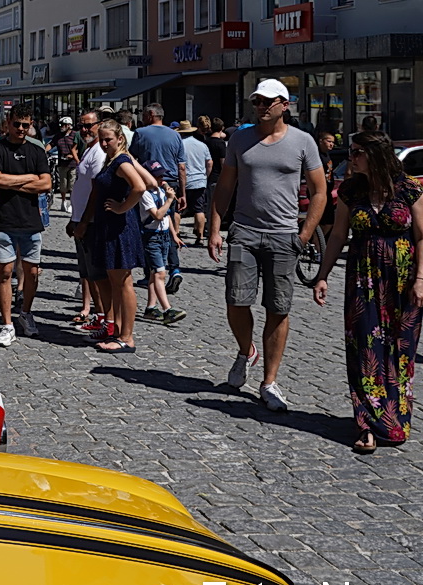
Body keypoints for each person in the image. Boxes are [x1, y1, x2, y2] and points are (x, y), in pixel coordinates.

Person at [206, 78, 328, 412]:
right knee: (236, 300)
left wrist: (304, 235)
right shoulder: (240, 139)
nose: (260, 106)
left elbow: (319, 191)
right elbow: (225, 186)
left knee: (278, 307)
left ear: (284, 105)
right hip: (244, 232)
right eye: (256, 101)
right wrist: (215, 229)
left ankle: (269, 382)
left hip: (284, 235)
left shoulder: (302, 141)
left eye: (267, 101)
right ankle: (246, 351)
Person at [311, 132, 423, 452]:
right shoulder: (350, 190)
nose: (350, 157)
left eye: (356, 152)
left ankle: (395, 419)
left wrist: (421, 280)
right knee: (365, 349)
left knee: (399, 350)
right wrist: (322, 276)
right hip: (363, 280)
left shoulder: (409, 188)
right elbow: (338, 236)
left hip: (402, 281)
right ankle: (367, 424)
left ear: (375, 154)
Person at [0, 104, 52, 346]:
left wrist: (11, 182)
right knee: (4, 272)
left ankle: (25, 312)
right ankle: (7, 324)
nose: (21, 129)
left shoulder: (36, 150)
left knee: (32, 273)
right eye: (17, 124)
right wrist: (29, 179)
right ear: (8, 123)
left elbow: (46, 184)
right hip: (5, 219)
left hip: (31, 220)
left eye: (25, 125)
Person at [87, 119, 148, 352]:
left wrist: (122, 207)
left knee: (123, 282)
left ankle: (127, 337)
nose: (104, 144)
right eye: (101, 140)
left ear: (120, 138)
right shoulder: (114, 159)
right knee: (115, 282)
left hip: (120, 227)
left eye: (108, 139)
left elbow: (140, 186)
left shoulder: (121, 161)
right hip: (109, 226)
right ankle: (119, 331)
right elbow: (149, 180)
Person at [68, 110, 113, 331]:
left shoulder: (99, 153)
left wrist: (84, 221)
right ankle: (99, 315)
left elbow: (96, 190)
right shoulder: (88, 149)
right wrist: (74, 218)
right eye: (82, 126)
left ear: (99, 125)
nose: (85, 130)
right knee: (88, 273)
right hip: (81, 219)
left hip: (92, 222)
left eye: (89, 125)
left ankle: (105, 317)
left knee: (97, 275)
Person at [138, 163, 186, 326]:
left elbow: (166, 216)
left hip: (164, 236)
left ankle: (150, 308)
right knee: (160, 273)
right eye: (157, 176)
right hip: (151, 237)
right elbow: (158, 215)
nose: (161, 179)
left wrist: (174, 235)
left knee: (155, 273)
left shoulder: (160, 191)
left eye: (162, 176)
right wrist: (170, 199)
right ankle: (167, 310)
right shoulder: (145, 194)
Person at [133, 104, 186, 211]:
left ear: (151, 114)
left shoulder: (140, 133)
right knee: (169, 215)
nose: (142, 119)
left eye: (144, 115)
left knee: (148, 215)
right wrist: (183, 194)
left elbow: (132, 159)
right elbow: (182, 167)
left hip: (149, 181)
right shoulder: (175, 135)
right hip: (171, 182)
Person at [179, 123, 212, 245]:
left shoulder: (180, 145)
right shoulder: (202, 145)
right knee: (199, 209)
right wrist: (205, 176)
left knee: (178, 210)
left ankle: (176, 235)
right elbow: (209, 163)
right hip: (199, 181)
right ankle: (200, 237)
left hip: (183, 180)